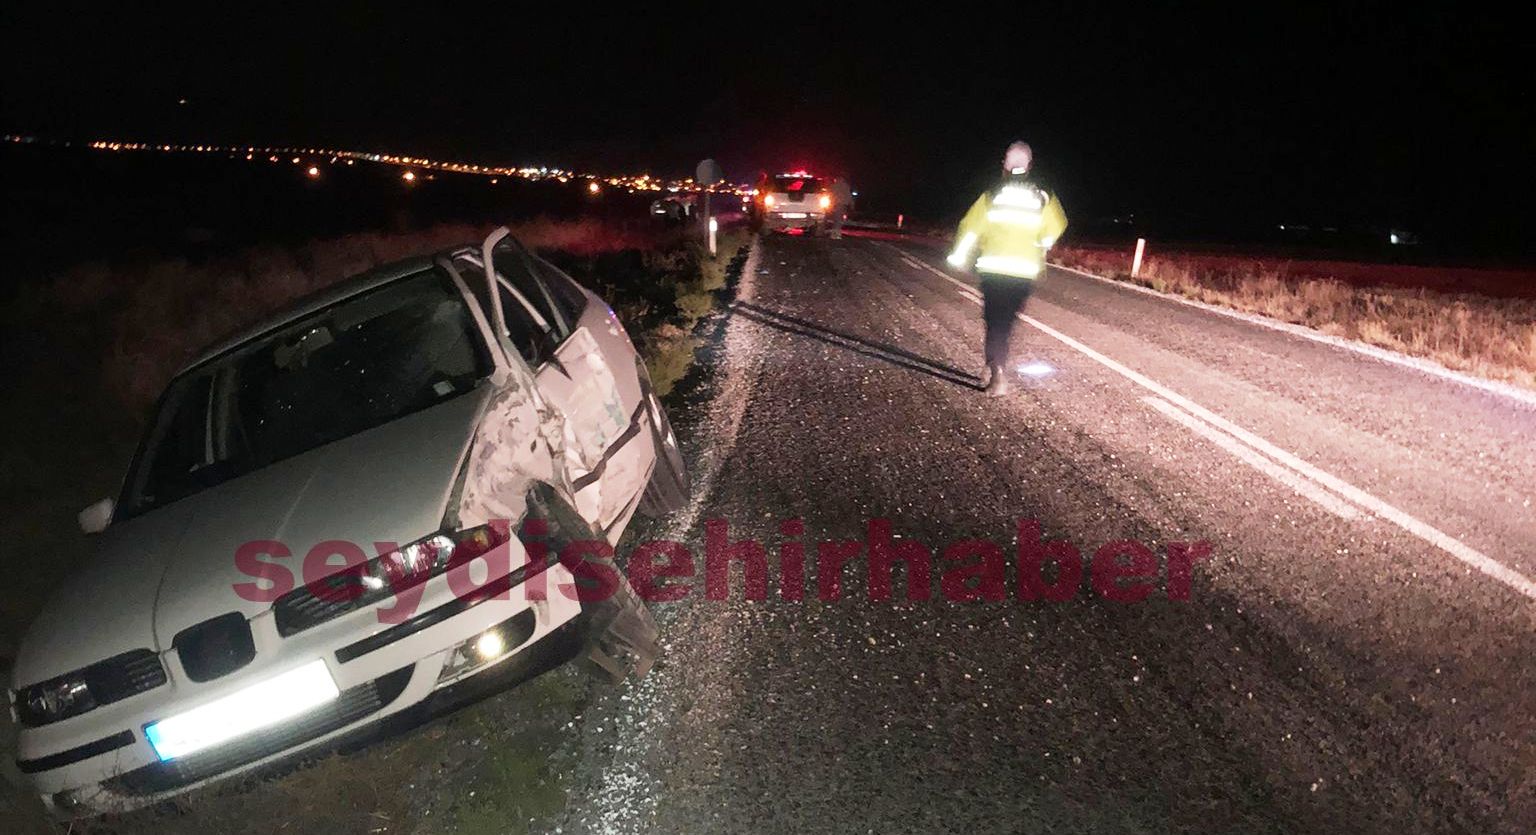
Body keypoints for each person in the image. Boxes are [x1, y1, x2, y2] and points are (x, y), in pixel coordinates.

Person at [947, 142, 1067, 395]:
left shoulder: (993, 192)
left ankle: (997, 371)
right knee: (1006, 322)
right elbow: (1058, 224)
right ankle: (993, 365)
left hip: (994, 269)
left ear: (1005, 164)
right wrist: (1041, 243)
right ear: (1029, 165)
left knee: (995, 321)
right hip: (1024, 271)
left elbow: (970, 226)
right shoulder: (1043, 194)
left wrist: (958, 256)